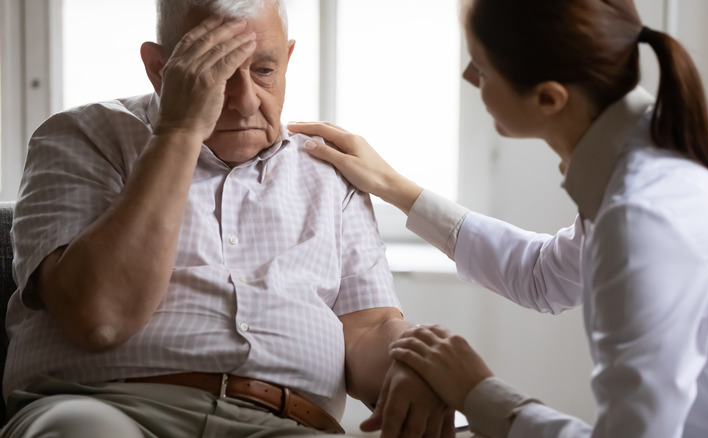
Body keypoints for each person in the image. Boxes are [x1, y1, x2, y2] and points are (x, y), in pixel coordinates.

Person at [289, 0, 708, 436]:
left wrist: (477, 391)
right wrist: (397, 188)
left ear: (548, 97)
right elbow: (544, 277)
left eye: (480, 67)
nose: (468, 78)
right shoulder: (667, 148)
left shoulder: (642, 217)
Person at [1, 1, 455, 437]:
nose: (243, 100)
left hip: (289, 421)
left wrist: (412, 363)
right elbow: (99, 317)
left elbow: (368, 329)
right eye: (214, 72)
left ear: (287, 60)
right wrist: (179, 130)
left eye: (263, 70)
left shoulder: (331, 173)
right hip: (109, 406)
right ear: (160, 69)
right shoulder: (84, 136)